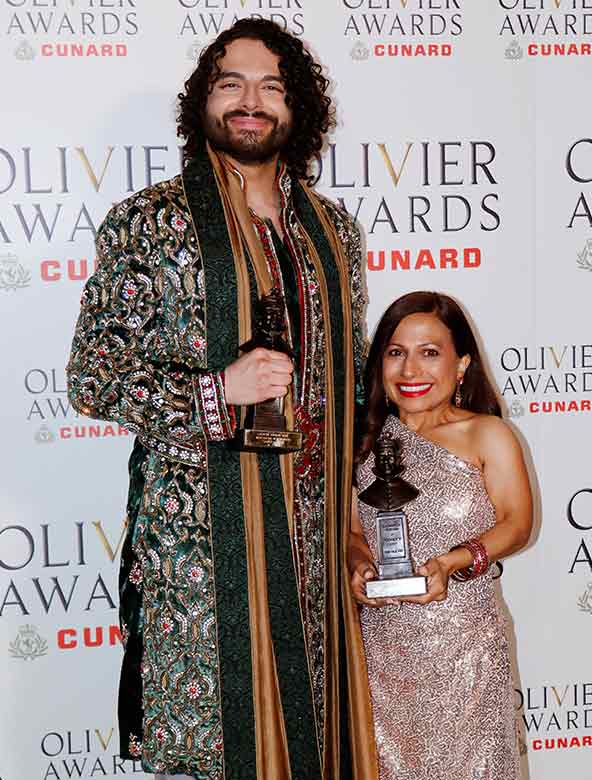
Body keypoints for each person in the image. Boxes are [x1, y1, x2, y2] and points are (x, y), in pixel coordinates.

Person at [66, 18, 378, 780]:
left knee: (315, 742)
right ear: (202, 101)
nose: (250, 102)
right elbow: (93, 375)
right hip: (202, 557)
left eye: (271, 86)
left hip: (313, 554)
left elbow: (352, 382)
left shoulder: (332, 232)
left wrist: (360, 520)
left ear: (297, 108)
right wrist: (216, 392)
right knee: (215, 749)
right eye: (230, 83)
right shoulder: (150, 223)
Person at [348, 292, 534, 780]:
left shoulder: (487, 434)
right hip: (381, 652)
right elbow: (352, 532)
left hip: (466, 648)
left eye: (429, 352)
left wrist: (452, 562)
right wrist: (358, 564)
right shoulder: (361, 442)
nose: (410, 370)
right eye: (396, 352)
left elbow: (517, 523)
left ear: (462, 364)